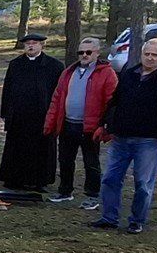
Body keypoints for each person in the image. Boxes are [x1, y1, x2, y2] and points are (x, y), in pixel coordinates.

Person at [90, 36, 157, 235]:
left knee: (143, 184)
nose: (150, 58)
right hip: (121, 138)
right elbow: (114, 102)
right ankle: (109, 217)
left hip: (148, 141)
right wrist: (104, 125)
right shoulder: (129, 73)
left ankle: (137, 220)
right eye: (147, 54)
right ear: (141, 54)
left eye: (155, 55)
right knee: (110, 179)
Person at [43, 36, 116, 207]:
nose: (84, 55)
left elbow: (112, 102)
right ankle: (65, 191)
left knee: (91, 162)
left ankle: (92, 195)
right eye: (81, 52)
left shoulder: (106, 73)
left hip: (90, 127)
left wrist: (105, 126)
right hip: (68, 124)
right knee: (66, 160)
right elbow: (57, 97)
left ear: (97, 53)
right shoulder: (69, 72)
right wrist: (50, 122)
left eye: (88, 52)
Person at [0, 31, 62, 191]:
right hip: (19, 115)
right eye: (28, 43)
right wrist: (6, 113)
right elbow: (8, 89)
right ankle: (14, 179)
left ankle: (39, 181)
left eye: (34, 43)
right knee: (17, 147)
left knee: (42, 149)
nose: (31, 46)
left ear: (41, 45)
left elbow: (59, 92)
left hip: (43, 115)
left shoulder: (54, 66)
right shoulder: (16, 64)